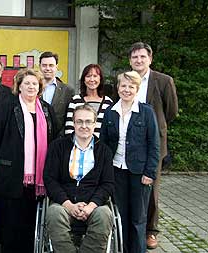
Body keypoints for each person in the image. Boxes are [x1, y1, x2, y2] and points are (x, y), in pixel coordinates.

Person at [0, 68, 58, 252]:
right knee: (10, 220)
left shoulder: (47, 109)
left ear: (39, 87)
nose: (31, 87)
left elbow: (54, 139)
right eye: (27, 83)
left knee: (31, 219)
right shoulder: (7, 105)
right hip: (10, 172)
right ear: (19, 86)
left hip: (38, 175)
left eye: (34, 84)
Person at [100, 71, 160, 253]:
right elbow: (103, 144)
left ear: (137, 89)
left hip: (139, 173)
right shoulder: (110, 113)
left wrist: (150, 173)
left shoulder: (146, 112)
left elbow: (154, 144)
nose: (126, 90)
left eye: (131, 86)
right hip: (116, 171)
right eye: (123, 86)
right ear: (118, 88)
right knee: (121, 216)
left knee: (138, 219)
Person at [127, 42, 178, 249]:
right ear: (130, 60)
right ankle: (129, 226)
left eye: (142, 57)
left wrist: (154, 128)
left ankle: (151, 230)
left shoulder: (164, 81)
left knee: (151, 188)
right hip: (129, 140)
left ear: (150, 59)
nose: (138, 60)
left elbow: (171, 111)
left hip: (154, 142)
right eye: (134, 57)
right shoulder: (126, 80)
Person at [44, 104, 114, 253]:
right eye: (79, 121)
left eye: (88, 122)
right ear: (74, 123)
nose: (84, 126)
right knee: (53, 213)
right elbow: (50, 179)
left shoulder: (104, 151)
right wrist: (69, 205)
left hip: (93, 205)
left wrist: (91, 206)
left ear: (95, 124)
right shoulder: (58, 146)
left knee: (105, 215)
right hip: (64, 203)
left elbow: (107, 184)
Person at [65, 64, 113, 137]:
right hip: (78, 146)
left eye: (95, 76)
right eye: (88, 76)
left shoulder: (108, 102)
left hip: (102, 147)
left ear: (100, 79)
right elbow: (69, 129)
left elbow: (110, 130)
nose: (92, 79)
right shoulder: (75, 100)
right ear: (84, 80)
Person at [39, 51, 74, 131]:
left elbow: (69, 118)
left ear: (56, 67)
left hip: (59, 138)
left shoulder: (68, 91)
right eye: (44, 65)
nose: (47, 68)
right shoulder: (33, 88)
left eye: (51, 65)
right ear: (40, 66)